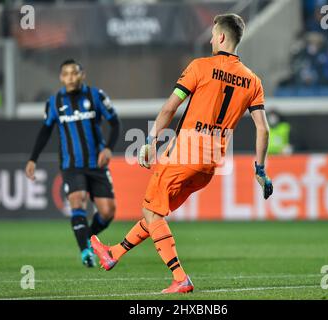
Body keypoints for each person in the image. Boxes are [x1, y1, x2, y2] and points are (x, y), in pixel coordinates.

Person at [91, 13, 273, 293]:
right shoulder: (253, 81)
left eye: (213, 34)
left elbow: (169, 108)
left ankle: (180, 278)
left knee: (151, 211)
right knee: (155, 213)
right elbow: (263, 129)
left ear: (222, 37)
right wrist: (260, 170)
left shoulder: (200, 67)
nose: (211, 38)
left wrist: (151, 141)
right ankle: (113, 253)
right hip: (211, 163)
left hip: (186, 152)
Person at [25, 59, 121, 267]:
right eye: (66, 74)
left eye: (74, 73)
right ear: (61, 78)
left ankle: (87, 238)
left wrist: (108, 148)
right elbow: (45, 131)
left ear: (82, 75)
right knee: (77, 200)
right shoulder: (54, 102)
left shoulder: (96, 96)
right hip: (71, 164)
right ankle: (86, 251)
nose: (70, 77)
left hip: (96, 163)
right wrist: (33, 158)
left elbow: (115, 123)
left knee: (108, 212)